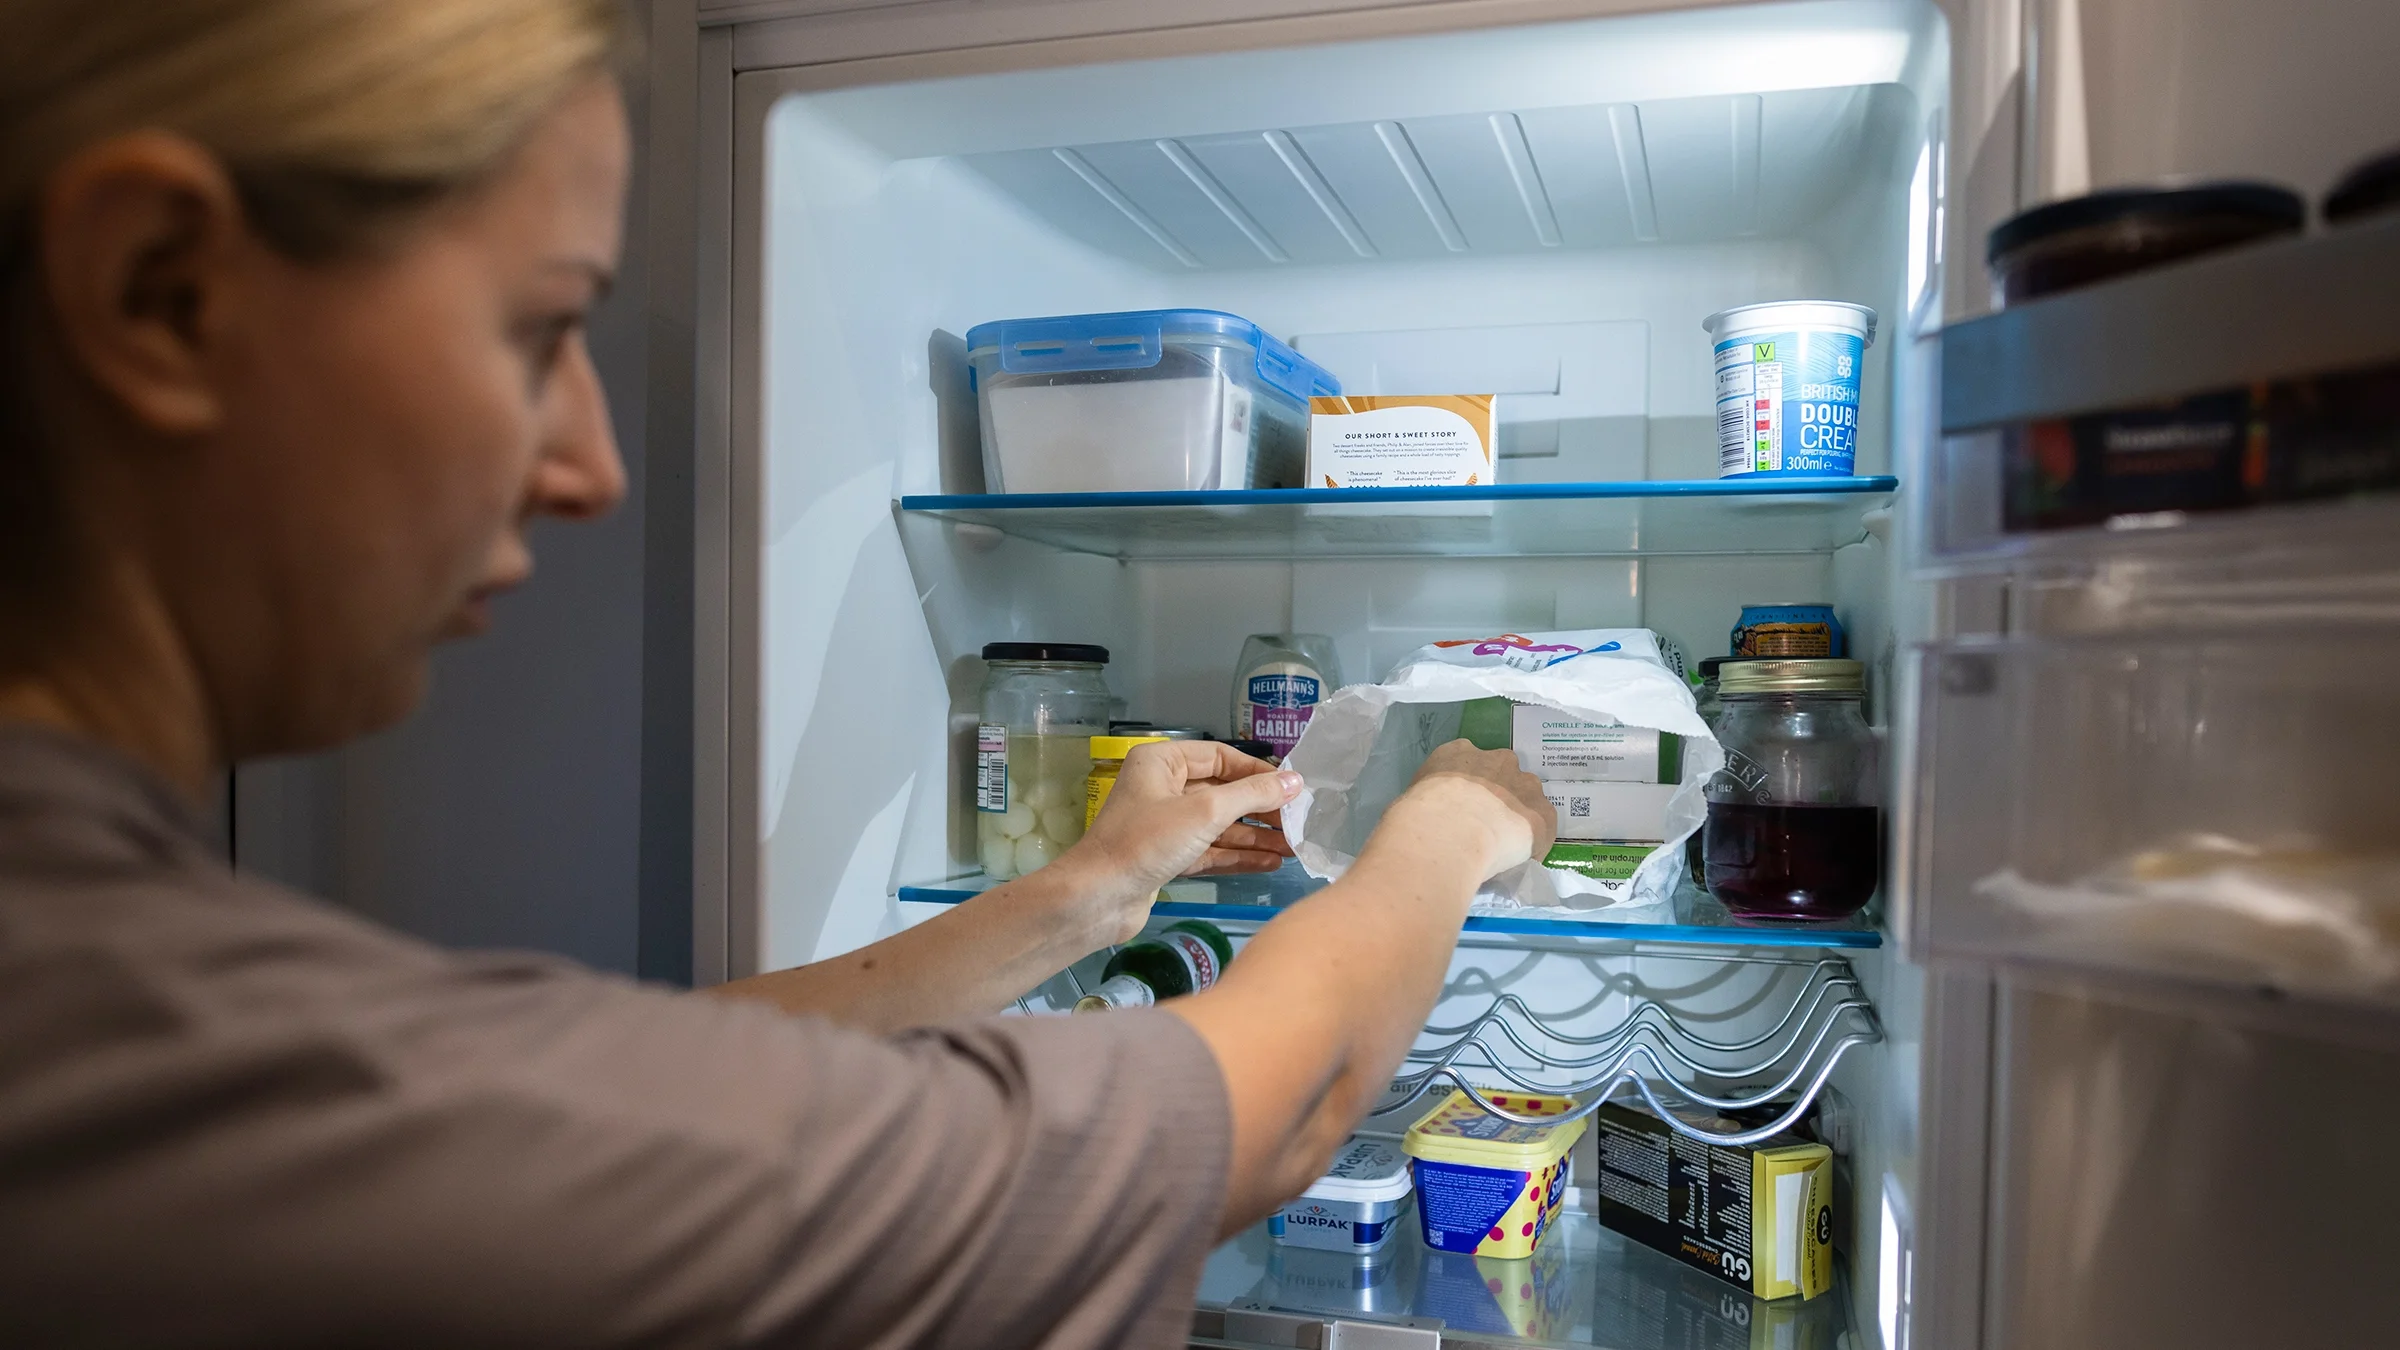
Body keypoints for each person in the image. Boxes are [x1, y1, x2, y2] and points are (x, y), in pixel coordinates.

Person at [0, 3, 1556, 1347]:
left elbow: (685, 1056)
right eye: (538, 327)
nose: (593, 465)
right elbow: (1252, 1106)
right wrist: (1456, 815)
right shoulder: (187, 1060)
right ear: (158, 288)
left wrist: (1087, 889)